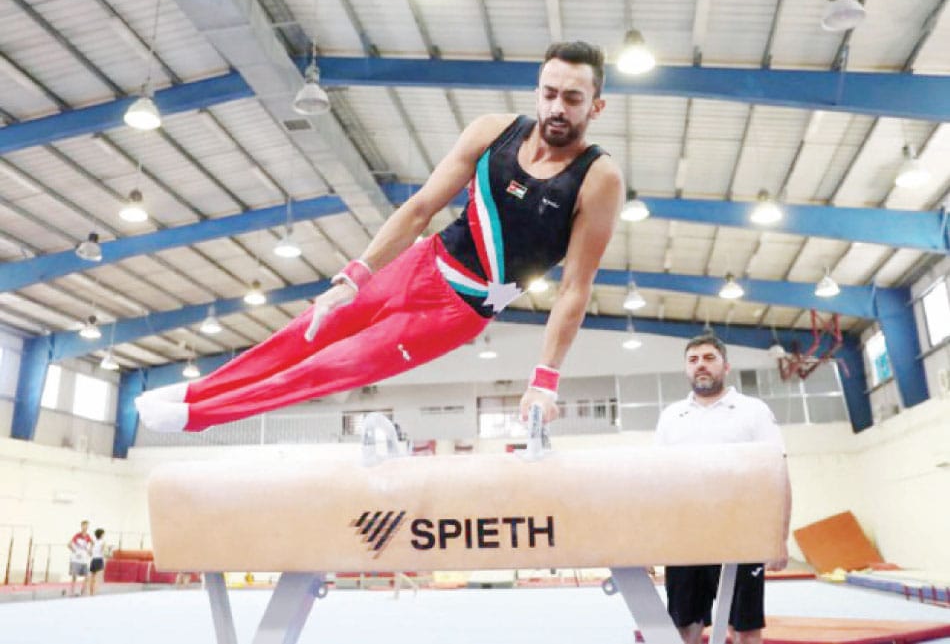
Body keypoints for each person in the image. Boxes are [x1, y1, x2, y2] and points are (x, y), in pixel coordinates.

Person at [137, 40, 624, 433]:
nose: (557, 107)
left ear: (596, 106)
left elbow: (574, 289)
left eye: (572, 98)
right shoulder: (493, 132)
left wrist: (544, 380)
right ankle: (193, 392)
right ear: (537, 91)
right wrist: (354, 276)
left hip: (455, 312)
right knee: (305, 331)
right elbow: (419, 209)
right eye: (549, 93)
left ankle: (198, 416)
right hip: (419, 264)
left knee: (328, 367)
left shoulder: (598, 178)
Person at [654, 335, 792, 644]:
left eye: (709, 358)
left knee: (744, 629)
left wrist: (779, 538)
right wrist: (653, 541)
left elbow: (778, 475)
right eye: (693, 360)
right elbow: (659, 482)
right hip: (685, 533)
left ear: (726, 366)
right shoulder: (671, 416)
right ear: (686, 369)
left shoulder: (752, 410)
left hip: (740, 530)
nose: (700, 365)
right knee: (683, 627)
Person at [67, 520, 92, 597]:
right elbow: (69, 544)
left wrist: (89, 551)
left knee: (87, 576)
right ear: (81, 526)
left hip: (84, 560)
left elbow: (92, 543)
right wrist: (75, 551)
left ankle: (83, 591)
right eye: (84, 525)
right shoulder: (77, 535)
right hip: (76, 559)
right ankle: (72, 591)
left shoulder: (88, 536)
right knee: (74, 576)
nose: (85, 527)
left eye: (87, 526)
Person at [87, 528, 106, 596]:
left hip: (93, 559)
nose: (103, 535)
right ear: (101, 535)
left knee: (93, 577)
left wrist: (93, 554)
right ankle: (95, 592)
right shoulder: (103, 542)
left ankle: (91, 592)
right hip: (99, 559)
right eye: (103, 534)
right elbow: (103, 551)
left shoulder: (93, 541)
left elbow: (89, 552)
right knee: (99, 577)